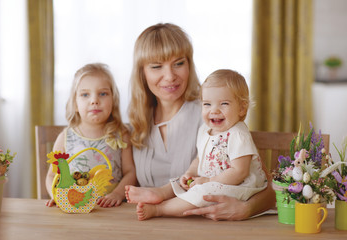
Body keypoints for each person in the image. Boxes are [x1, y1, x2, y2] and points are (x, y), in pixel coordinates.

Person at [127, 23, 275, 220]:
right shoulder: (136, 121)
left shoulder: (214, 114)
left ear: (189, 64)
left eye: (179, 63)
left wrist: (245, 209)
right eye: (156, 66)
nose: (170, 76)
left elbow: (267, 186)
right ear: (142, 73)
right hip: (146, 225)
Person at [45, 63, 137, 208]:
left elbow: (130, 172)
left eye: (103, 93)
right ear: (75, 103)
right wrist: (56, 195)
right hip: (75, 207)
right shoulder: (65, 138)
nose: (94, 100)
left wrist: (118, 194)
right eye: (85, 95)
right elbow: (51, 176)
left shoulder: (121, 135)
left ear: (113, 100)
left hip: (112, 209)